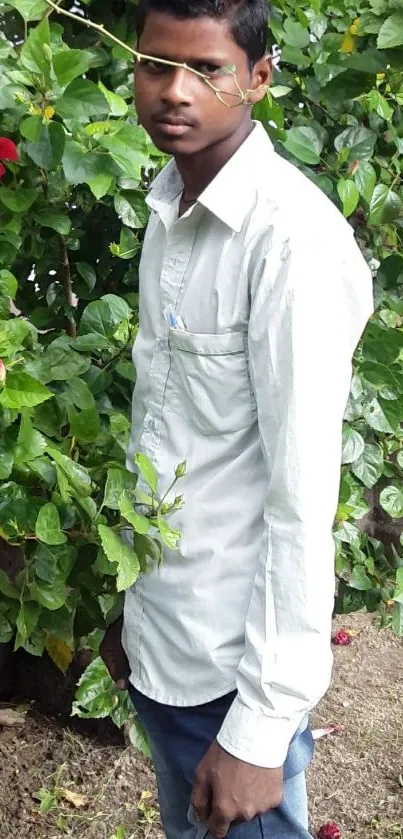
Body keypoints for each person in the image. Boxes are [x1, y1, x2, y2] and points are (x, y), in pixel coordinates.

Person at [100, 1, 373, 837]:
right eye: (154, 65)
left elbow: (299, 501)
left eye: (207, 69)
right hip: (168, 635)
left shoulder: (288, 242)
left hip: (230, 673)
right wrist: (131, 606)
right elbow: (178, 435)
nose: (173, 92)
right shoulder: (171, 207)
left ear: (258, 77)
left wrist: (257, 729)